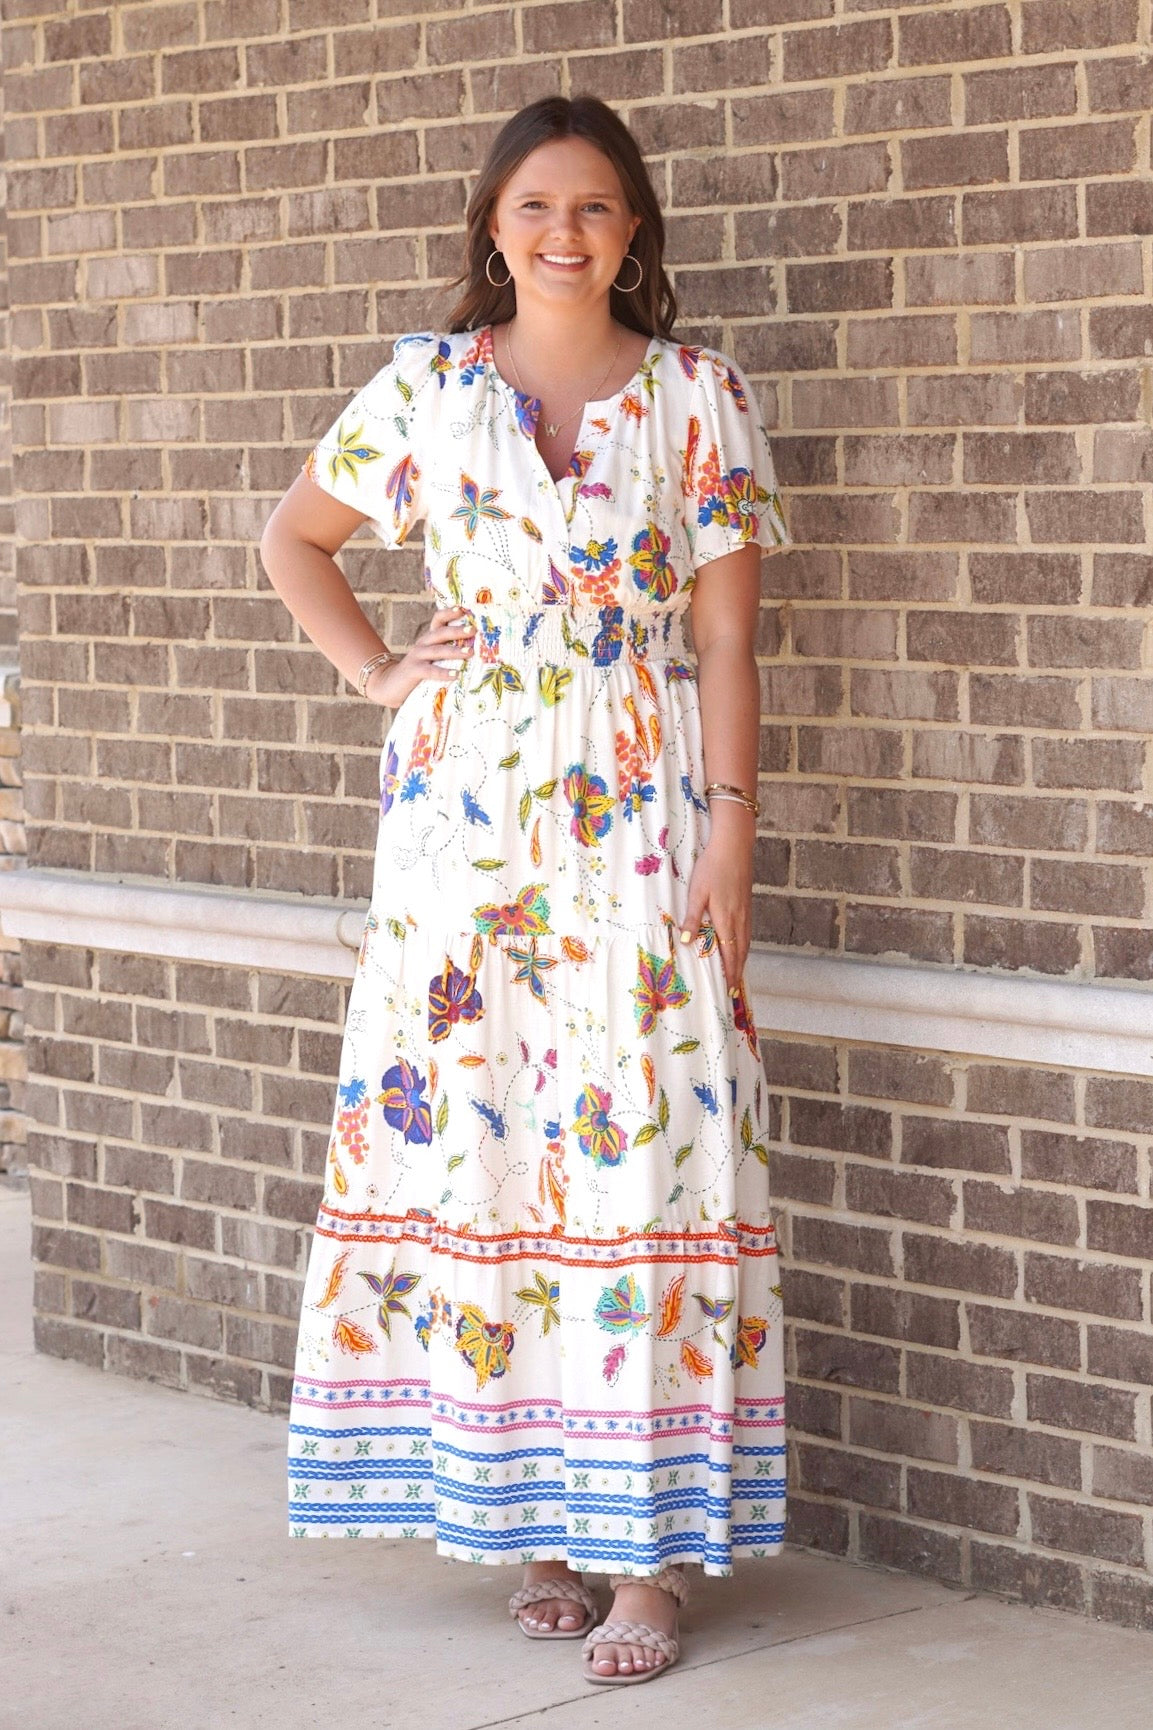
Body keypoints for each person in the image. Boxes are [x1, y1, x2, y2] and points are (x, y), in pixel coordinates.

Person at [260, 94, 790, 1688]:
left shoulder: (697, 394)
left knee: (645, 1136)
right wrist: (375, 669)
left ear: (635, 234)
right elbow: (297, 538)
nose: (566, 232)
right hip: (460, 827)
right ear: (492, 224)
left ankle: (646, 1557)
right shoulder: (426, 387)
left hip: (641, 807)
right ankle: (532, 1529)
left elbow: (723, 642)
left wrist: (730, 834)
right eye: (536, 205)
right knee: (485, 1133)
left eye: (597, 208)